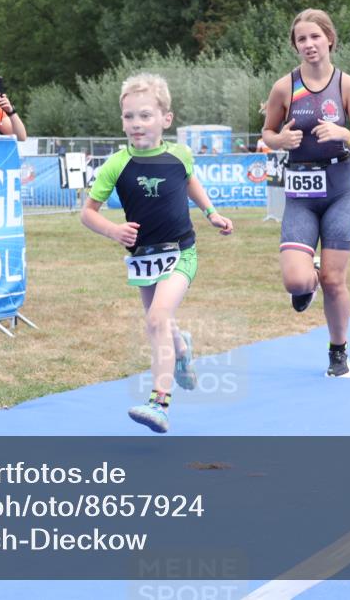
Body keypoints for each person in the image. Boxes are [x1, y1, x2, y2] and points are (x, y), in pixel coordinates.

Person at [81, 73, 233, 433]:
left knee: (156, 319)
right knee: (161, 321)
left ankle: (159, 402)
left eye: (145, 115)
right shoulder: (116, 165)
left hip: (182, 253)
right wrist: (113, 230)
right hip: (142, 258)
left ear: (166, 119)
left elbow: (190, 180)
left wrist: (211, 213)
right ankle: (181, 350)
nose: (136, 124)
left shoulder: (179, 154)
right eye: (129, 116)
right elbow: (87, 213)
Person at [261, 8, 350, 379]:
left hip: (340, 190)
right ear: (295, 46)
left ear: (330, 39)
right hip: (300, 196)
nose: (308, 45)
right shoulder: (284, 87)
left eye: (314, 37)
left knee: (335, 281)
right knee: (296, 281)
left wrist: (344, 135)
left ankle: (338, 351)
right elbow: (267, 133)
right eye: (301, 39)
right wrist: (281, 140)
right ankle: (311, 272)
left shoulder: (347, 86)